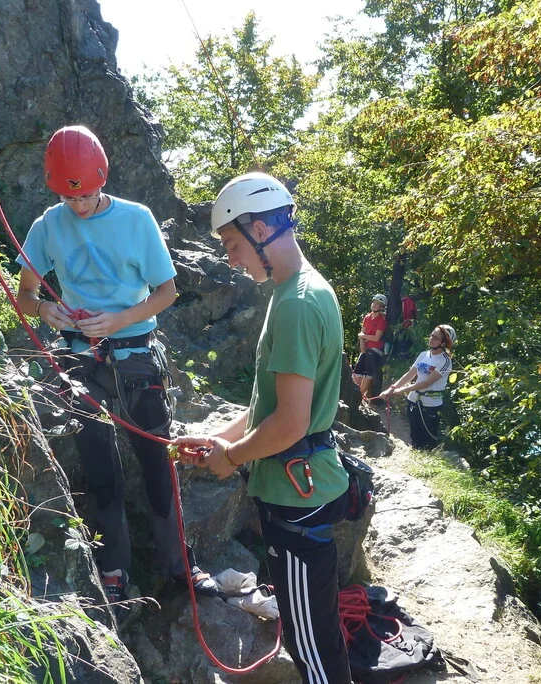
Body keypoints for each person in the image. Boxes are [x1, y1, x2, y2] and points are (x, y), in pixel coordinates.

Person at [17, 125, 215, 603]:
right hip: (78, 358)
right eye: (69, 198)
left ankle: (179, 564)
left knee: (157, 458)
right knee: (99, 465)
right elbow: (23, 294)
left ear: (102, 178)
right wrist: (44, 309)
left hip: (135, 354)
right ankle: (114, 567)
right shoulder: (48, 224)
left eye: (86, 195)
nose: (79, 205)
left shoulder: (136, 219)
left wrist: (121, 318)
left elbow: (166, 291)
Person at [173, 172, 352, 683]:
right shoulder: (297, 290)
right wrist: (220, 439)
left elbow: (291, 423)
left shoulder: (296, 303)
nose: (231, 259)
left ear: (258, 229)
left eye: (232, 245)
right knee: (312, 629)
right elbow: (268, 406)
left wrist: (230, 459)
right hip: (301, 484)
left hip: (295, 499)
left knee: (310, 642)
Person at [381, 324, 455, 449]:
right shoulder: (423, 355)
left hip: (430, 405)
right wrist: (392, 388)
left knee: (428, 441)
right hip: (413, 400)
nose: (431, 338)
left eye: (436, 337)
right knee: (415, 437)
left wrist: (402, 390)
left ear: (443, 343)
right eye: (432, 335)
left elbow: (427, 383)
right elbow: (410, 374)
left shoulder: (445, 361)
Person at [352, 293, 388, 399]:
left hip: (375, 350)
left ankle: (359, 397)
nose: (374, 305)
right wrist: (362, 347)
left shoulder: (382, 320)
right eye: (374, 302)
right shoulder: (367, 317)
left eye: (377, 304)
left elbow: (376, 338)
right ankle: (353, 394)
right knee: (357, 369)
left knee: (368, 371)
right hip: (366, 348)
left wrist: (363, 337)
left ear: (381, 307)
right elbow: (361, 334)